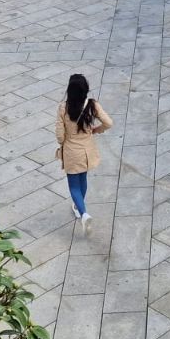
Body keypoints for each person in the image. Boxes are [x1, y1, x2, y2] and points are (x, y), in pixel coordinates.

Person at [55, 73, 112, 228]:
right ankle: (79, 208)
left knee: (73, 185)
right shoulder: (92, 105)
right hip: (87, 151)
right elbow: (108, 122)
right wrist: (96, 130)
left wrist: (64, 139)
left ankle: (84, 213)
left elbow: (60, 136)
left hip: (71, 152)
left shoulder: (63, 108)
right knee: (83, 180)